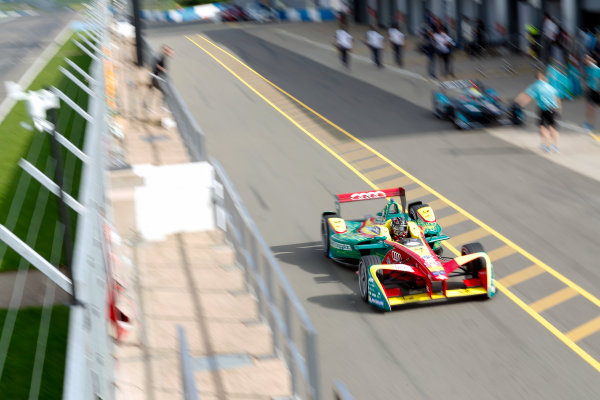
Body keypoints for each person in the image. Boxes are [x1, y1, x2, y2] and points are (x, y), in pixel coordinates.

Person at [515, 68, 562, 153]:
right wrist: (559, 109)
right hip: (553, 108)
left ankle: (546, 146)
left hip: (543, 109)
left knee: (543, 128)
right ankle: (556, 147)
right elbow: (557, 98)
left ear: (537, 78)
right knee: (553, 128)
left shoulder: (536, 85)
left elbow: (527, 96)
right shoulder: (550, 86)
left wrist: (519, 104)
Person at [582, 55, 600, 131]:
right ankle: (589, 123)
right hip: (590, 89)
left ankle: (591, 125)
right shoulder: (588, 68)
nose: (585, 62)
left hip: (596, 91)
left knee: (592, 108)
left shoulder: (597, 70)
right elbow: (588, 78)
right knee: (589, 107)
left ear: (589, 60)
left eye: (586, 61)